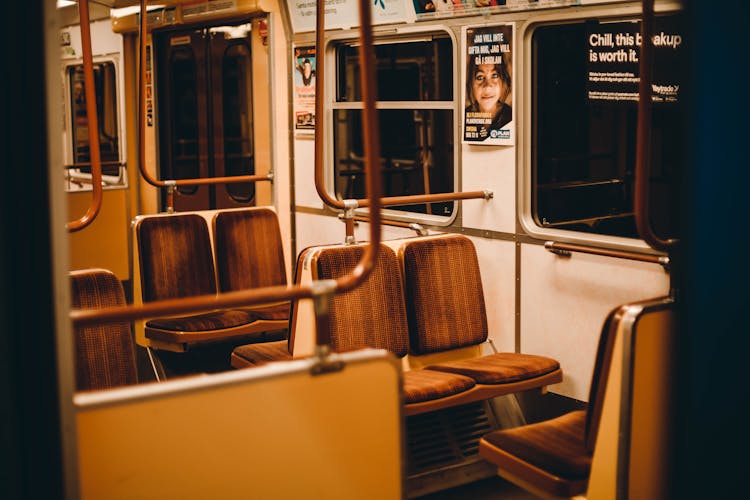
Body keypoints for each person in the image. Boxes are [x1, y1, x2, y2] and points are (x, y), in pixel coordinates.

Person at [465, 57, 512, 132]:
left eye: (494, 76)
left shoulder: (511, 117)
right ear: (471, 84)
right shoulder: (463, 117)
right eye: (480, 77)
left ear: (502, 80)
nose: (487, 86)